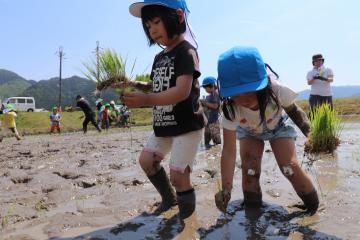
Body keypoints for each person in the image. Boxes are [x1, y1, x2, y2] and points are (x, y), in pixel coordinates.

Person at [123, 0, 204, 220]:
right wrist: (132, 84)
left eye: (157, 22)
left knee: (178, 176)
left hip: (186, 125)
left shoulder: (187, 52)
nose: (153, 30)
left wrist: (146, 100)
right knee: (146, 161)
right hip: (165, 123)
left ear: (177, 17)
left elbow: (181, 91)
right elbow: (158, 85)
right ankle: (169, 200)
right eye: (148, 26)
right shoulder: (159, 57)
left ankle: (186, 221)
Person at [214, 46, 319, 215]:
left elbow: (294, 112)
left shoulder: (277, 90)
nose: (243, 99)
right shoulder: (230, 109)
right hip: (249, 131)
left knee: (289, 167)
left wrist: (313, 136)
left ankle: (313, 208)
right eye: (236, 93)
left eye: (249, 91)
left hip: (278, 127)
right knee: (249, 169)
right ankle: (253, 213)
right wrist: (226, 188)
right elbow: (228, 151)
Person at [200, 76, 221, 149]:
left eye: (206, 88)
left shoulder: (215, 94)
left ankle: (216, 151)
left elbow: (215, 106)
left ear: (211, 86)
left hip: (214, 121)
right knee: (207, 139)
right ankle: (207, 148)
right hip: (208, 121)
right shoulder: (209, 96)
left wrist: (205, 103)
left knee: (216, 140)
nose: (205, 90)